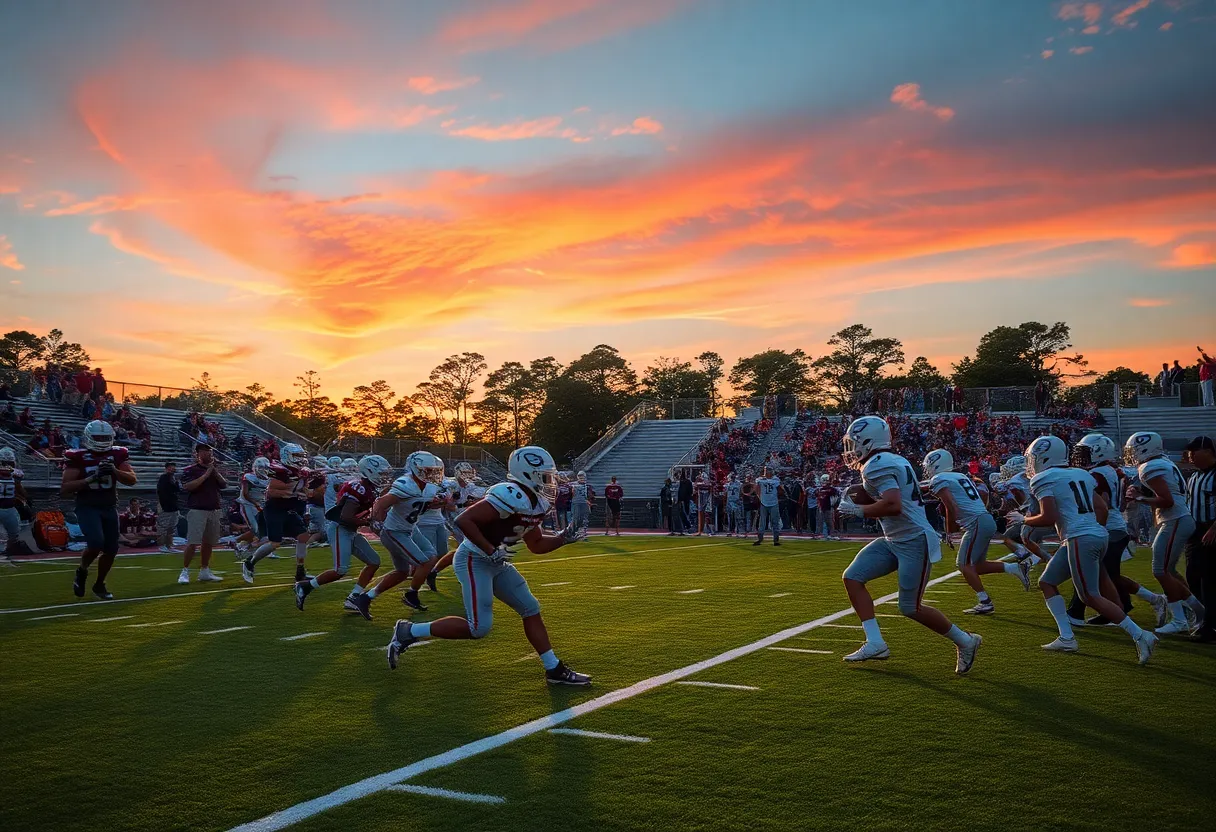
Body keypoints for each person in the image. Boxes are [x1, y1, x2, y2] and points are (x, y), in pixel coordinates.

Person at [384, 446, 591, 685]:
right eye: (545, 476)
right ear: (527, 474)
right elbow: (464, 520)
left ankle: (553, 668)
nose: (550, 481)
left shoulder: (537, 502)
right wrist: (490, 550)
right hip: (474, 560)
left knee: (530, 608)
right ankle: (409, 632)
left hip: (497, 562)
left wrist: (563, 538)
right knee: (478, 628)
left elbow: (536, 544)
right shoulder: (510, 493)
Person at [836, 416, 981, 674]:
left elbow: (894, 505)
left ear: (868, 441)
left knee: (910, 607)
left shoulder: (876, 465)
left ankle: (966, 641)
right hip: (894, 539)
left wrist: (857, 510)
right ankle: (875, 642)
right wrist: (861, 493)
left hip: (914, 540)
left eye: (856, 442)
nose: (852, 448)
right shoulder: (892, 460)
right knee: (853, 577)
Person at [1022, 435, 1157, 663]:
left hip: (1080, 537)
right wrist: (1095, 532)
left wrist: (1023, 519)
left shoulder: (1044, 478)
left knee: (1090, 595)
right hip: (1094, 534)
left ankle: (1141, 635)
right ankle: (1066, 637)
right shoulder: (1082, 474)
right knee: (1047, 582)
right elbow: (1101, 507)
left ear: (1043, 457)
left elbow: (1049, 517)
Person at [924, 449, 1030, 616]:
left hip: (977, 523)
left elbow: (951, 506)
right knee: (977, 566)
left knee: (963, 565)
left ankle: (985, 602)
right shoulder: (960, 476)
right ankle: (1014, 568)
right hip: (984, 520)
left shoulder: (939, 479)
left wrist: (950, 532)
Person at [1124, 431, 1205, 635]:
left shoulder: (1151, 467)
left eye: (1134, 450)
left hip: (1176, 519)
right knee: (1170, 571)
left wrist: (1140, 499)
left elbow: (1167, 500)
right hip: (1178, 518)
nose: (1132, 454)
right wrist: (1144, 495)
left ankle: (1182, 618)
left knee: (1160, 570)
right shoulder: (1162, 462)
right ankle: (1197, 611)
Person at [349, 451, 445, 619]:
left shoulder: (429, 487)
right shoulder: (405, 484)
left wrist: (437, 503)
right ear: (416, 469)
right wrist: (375, 520)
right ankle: (412, 594)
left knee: (408, 569)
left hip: (411, 529)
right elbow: (381, 502)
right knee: (424, 562)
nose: (433, 473)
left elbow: (418, 506)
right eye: (429, 470)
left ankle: (365, 598)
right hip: (395, 532)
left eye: (435, 470)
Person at [294, 455, 390, 612]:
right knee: (340, 570)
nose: (383, 477)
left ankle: (353, 598)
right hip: (340, 528)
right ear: (370, 471)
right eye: (381, 473)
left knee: (374, 561)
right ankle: (305, 586)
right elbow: (346, 517)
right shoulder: (359, 488)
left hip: (350, 530)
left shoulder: (367, 488)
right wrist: (367, 522)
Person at [1067, 434, 1146, 625]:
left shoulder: (1096, 474)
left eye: (1085, 452)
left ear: (1098, 452)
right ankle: (1125, 605)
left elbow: (1103, 503)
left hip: (1106, 526)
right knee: (1108, 574)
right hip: (1116, 524)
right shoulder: (1114, 470)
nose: (1080, 457)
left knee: (1092, 572)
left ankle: (1079, 612)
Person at [63, 420, 137, 600]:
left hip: (109, 506)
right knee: (95, 543)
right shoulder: (78, 456)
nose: (103, 440)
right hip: (87, 506)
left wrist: (114, 471)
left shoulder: (117, 454)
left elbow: (132, 479)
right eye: (99, 437)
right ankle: (82, 570)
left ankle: (99, 584)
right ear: (89, 437)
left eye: (106, 437)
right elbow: (65, 488)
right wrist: (91, 478)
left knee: (111, 549)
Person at [240, 443, 318, 585]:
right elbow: (271, 491)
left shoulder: (300, 471)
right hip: (275, 509)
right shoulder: (280, 471)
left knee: (303, 537)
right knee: (275, 543)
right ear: (287, 456)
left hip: (290, 509)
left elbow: (305, 492)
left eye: (301, 456)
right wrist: (291, 491)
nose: (300, 459)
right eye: (297, 456)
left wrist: (308, 490)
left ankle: (300, 572)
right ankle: (249, 562)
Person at [1183, 436, 1216, 642]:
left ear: (1208, 451)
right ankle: (1208, 619)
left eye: (1195, 452)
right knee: (1193, 576)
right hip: (1194, 532)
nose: (1191, 456)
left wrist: (1214, 528)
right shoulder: (1194, 477)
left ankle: (1209, 626)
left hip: (1210, 529)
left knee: (1209, 579)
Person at [177, 445, 226, 584]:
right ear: (198, 454)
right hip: (197, 509)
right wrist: (206, 474)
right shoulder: (191, 470)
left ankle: (204, 570)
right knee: (193, 542)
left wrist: (214, 471)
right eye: (205, 451)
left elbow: (224, 484)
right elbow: (188, 486)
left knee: (209, 543)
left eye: (209, 451)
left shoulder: (214, 470)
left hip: (214, 509)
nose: (208, 453)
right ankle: (184, 571)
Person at [233, 457, 270, 556]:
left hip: (261, 504)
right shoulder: (249, 477)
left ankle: (245, 545)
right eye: (262, 468)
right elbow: (245, 494)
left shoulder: (270, 477)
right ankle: (237, 541)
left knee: (264, 529)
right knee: (255, 528)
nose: (264, 470)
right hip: (248, 504)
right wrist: (255, 503)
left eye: (266, 468)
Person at [0, 448, 28, 560]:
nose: (7, 465)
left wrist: (23, 498)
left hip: (9, 507)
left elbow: (20, 489)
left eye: (9, 463)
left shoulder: (15, 475)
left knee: (14, 533)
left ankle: (8, 551)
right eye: (5, 462)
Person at [754, 466, 783, 546]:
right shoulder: (761, 480)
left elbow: (780, 490)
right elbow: (756, 488)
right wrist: (759, 497)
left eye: (766, 471)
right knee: (762, 522)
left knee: (774, 522)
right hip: (764, 502)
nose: (765, 472)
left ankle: (776, 539)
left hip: (773, 502)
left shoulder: (775, 479)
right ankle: (760, 538)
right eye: (765, 471)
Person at [155, 461, 180, 553]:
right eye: (170, 467)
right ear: (166, 468)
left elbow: (177, 490)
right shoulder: (163, 478)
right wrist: (163, 505)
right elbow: (161, 492)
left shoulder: (174, 478)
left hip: (174, 506)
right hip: (166, 506)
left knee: (171, 527)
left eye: (173, 467)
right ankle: (161, 545)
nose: (172, 469)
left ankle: (169, 545)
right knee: (163, 527)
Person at [815, 474, 839, 540]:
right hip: (821, 507)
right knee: (820, 522)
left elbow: (835, 495)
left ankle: (831, 534)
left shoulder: (832, 490)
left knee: (830, 522)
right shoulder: (819, 489)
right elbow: (817, 495)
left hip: (828, 507)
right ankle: (819, 534)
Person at [724, 473, 743, 537]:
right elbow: (725, 494)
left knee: (737, 517)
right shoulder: (727, 484)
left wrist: (739, 500)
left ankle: (737, 530)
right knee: (730, 517)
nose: (732, 478)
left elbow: (741, 493)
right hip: (729, 501)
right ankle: (730, 530)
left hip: (736, 501)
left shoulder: (739, 484)